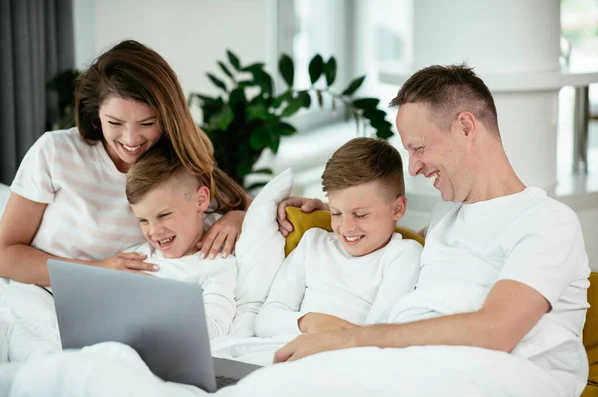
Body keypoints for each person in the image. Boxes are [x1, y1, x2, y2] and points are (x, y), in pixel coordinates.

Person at [273, 64, 591, 397]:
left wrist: (349, 339)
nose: (413, 167)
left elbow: (496, 331)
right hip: (415, 371)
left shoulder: (547, 221)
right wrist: (340, 214)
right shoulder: (446, 214)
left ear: (465, 127)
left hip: (491, 381)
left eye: (419, 148)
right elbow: (389, 236)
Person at [0, 40, 249, 288]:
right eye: (115, 123)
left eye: (147, 123)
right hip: (41, 295)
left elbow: (261, 207)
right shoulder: (55, 151)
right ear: (96, 114)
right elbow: (4, 253)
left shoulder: (177, 168)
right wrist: (99, 271)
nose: (131, 140)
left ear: (167, 119)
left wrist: (237, 218)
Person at [254, 138, 422, 338]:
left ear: (397, 208)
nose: (346, 227)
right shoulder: (313, 243)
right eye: (336, 213)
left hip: (344, 359)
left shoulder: (403, 255)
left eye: (360, 215)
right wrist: (308, 321)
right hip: (281, 349)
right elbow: (264, 321)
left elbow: (378, 334)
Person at [124, 141, 236, 340]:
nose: (154, 231)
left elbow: (215, 327)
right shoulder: (134, 257)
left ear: (200, 201)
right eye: (143, 220)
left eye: (164, 215)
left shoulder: (217, 265)